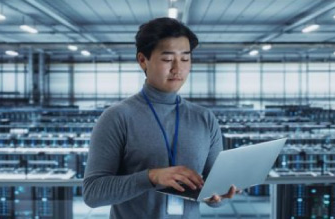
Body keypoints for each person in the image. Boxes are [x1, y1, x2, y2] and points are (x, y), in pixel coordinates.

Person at [83, 17, 238, 218]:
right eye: (167, 59)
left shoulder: (205, 119)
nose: (177, 68)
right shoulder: (117, 117)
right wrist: (151, 177)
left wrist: (219, 196)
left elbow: (213, 190)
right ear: (142, 60)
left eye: (185, 58)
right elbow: (93, 193)